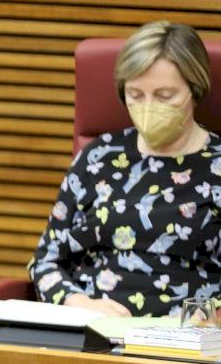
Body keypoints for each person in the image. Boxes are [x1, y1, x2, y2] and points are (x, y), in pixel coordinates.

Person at [30, 21, 221, 317]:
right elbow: (46, 260)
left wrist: (209, 319)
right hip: (91, 327)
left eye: (165, 95)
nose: (148, 106)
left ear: (194, 90)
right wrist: (79, 305)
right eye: (135, 94)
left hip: (188, 334)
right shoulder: (98, 157)